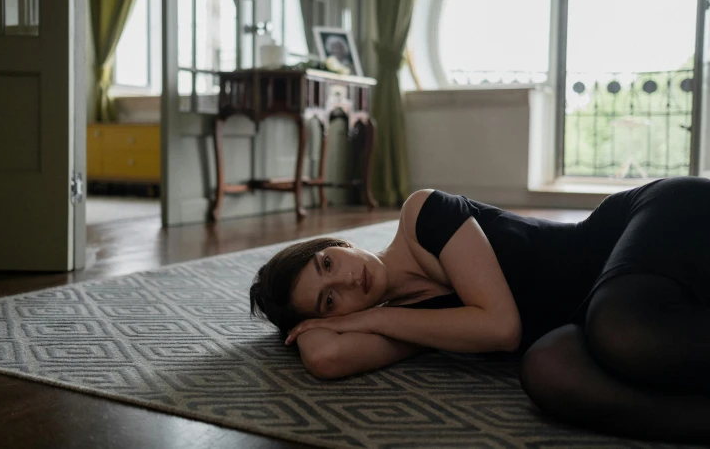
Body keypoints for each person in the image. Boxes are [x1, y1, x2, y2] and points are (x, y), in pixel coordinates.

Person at [249, 176, 710, 443]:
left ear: (340, 243)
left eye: (328, 262)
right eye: (330, 299)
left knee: (620, 330)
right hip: (599, 311)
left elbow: (501, 328)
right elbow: (326, 358)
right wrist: (314, 322)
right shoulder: (416, 323)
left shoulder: (422, 215)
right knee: (547, 370)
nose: (349, 279)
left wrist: (361, 316)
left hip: (644, 224)